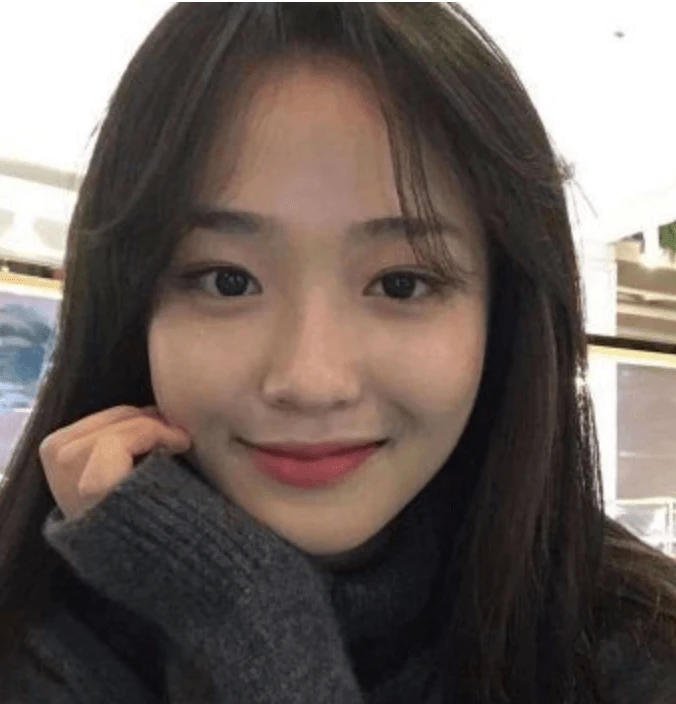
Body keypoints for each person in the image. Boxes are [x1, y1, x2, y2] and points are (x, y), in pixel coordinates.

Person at [0, 4, 675, 702]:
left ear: (502, 316)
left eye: (401, 283)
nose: (310, 380)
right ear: (130, 303)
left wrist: (241, 615)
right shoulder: (35, 644)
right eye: (228, 280)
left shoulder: (636, 648)